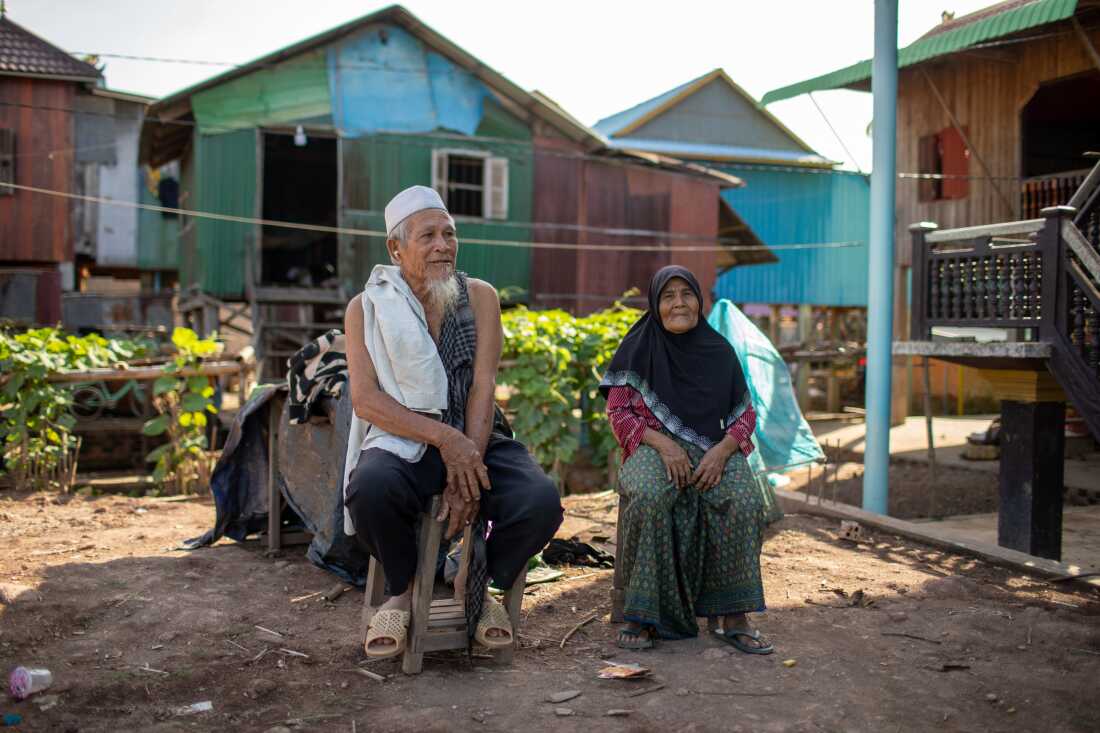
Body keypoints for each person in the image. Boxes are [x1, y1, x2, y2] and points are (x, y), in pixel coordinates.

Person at [343, 185, 563, 659]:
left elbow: (483, 386)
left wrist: (468, 459)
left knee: (539, 501)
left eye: (449, 234)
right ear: (395, 248)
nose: (443, 245)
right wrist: (445, 440)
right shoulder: (366, 308)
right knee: (370, 489)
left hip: (478, 432)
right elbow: (365, 401)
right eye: (428, 236)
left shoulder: (479, 297)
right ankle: (402, 590)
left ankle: (477, 585)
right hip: (407, 436)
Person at [600, 265, 773, 654]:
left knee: (744, 500)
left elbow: (745, 414)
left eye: (687, 294)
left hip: (713, 448)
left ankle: (733, 615)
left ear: (699, 300)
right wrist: (664, 445)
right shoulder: (638, 347)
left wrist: (722, 451)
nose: (679, 303)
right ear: (655, 304)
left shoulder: (719, 351)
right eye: (668, 296)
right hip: (652, 446)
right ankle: (643, 614)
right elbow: (619, 412)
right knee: (648, 493)